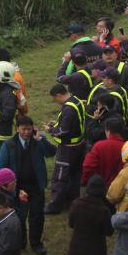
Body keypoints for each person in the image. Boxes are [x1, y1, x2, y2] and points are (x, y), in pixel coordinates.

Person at [0, 116, 56, 255]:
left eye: (29, 129)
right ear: (17, 129)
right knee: (19, 216)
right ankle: (20, 242)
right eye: (23, 129)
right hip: (17, 188)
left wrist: (41, 139)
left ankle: (36, 243)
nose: (27, 132)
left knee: (37, 215)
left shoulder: (37, 142)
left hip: (36, 186)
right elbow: (1, 165)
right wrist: (9, 185)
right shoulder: (9, 144)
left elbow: (52, 152)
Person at [44, 83, 86, 215]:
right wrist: (56, 123)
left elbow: (63, 130)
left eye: (55, 99)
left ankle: (55, 206)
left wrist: (51, 130)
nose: (55, 102)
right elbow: (73, 123)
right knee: (75, 175)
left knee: (60, 177)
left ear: (59, 95)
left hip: (67, 149)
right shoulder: (77, 101)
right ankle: (72, 201)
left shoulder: (68, 109)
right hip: (79, 145)